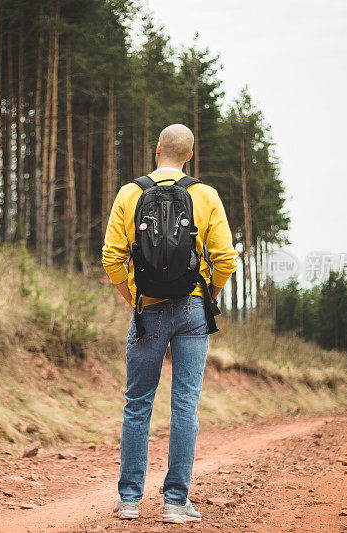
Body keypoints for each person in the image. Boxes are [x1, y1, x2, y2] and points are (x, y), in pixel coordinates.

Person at [101, 123, 238, 524]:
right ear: (189, 156)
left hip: (148, 311)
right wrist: (206, 296)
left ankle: (129, 500)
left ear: (156, 149)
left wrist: (134, 298)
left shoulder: (130, 193)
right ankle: (175, 503)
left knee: (137, 403)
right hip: (192, 310)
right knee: (184, 406)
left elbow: (112, 258)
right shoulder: (205, 195)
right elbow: (226, 259)